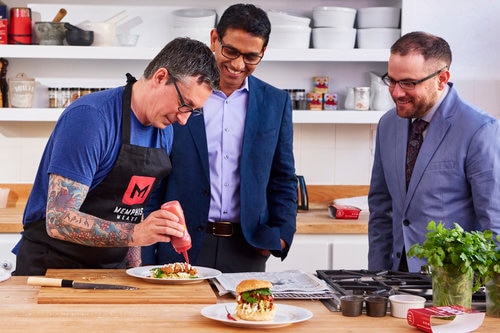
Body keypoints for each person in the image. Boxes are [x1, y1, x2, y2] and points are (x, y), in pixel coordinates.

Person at [13, 37, 220, 276]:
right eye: (185, 105)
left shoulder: (165, 133)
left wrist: (135, 269)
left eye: (193, 112)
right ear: (161, 77)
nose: (184, 119)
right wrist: (135, 234)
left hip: (111, 270)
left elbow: (133, 208)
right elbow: (58, 219)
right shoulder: (91, 118)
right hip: (53, 268)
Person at [142, 4, 297, 272]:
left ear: (263, 53)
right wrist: (144, 250)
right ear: (214, 39)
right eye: (231, 51)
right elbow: (154, 176)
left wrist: (281, 237)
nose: (237, 65)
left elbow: (283, 177)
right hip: (179, 245)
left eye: (250, 57)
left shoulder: (276, 102)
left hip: (248, 249)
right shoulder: (179, 94)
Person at [368, 31, 500, 272]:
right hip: (396, 280)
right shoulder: (388, 124)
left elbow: (495, 222)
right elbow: (381, 209)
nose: (397, 92)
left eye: (408, 82)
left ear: (442, 78)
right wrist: (376, 276)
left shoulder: (479, 129)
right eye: (392, 80)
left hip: (454, 282)